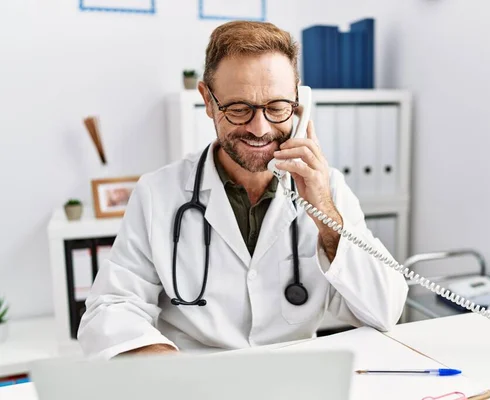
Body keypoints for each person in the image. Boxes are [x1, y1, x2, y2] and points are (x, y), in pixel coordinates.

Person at [78, 20, 408, 359]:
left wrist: (324, 213)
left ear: (299, 100)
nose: (260, 128)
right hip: (196, 383)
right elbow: (110, 309)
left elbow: (385, 309)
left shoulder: (327, 189)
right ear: (208, 100)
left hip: (293, 380)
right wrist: (168, 366)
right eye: (238, 109)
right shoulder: (157, 193)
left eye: (277, 107)